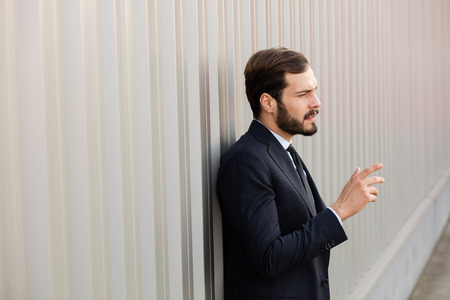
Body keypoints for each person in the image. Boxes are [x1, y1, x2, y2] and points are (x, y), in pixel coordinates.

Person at [216, 47, 385, 300]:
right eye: (304, 94)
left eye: (314, 90)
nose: (316, 102)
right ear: (268, 102)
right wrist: (338, 212)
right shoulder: (247, 160)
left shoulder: (283, 151)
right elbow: (270, 258)